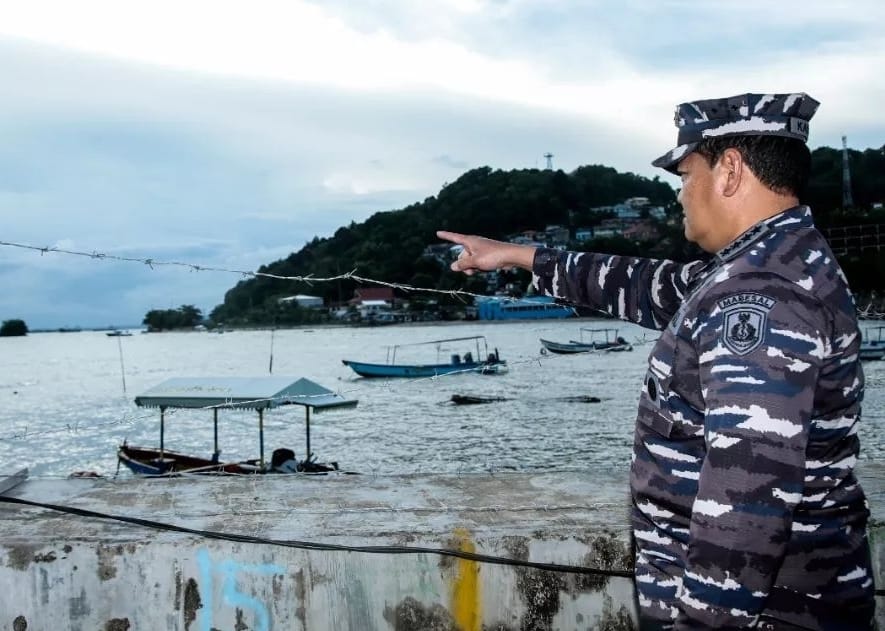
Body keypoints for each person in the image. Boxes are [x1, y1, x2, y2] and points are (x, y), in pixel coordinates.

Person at [438, 93, 874, 630]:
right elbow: (650, 285)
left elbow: (746, 508)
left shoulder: (760, 294)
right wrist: (514, 254)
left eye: (685, 176)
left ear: (730, 170)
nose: (681, 196)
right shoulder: (770, 263)